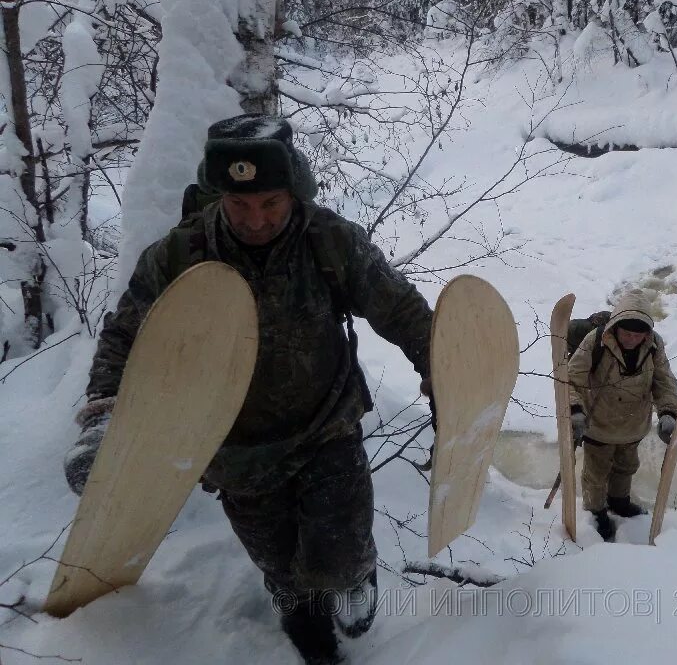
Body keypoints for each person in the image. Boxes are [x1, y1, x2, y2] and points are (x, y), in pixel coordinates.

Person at [63, 114, 434, 665]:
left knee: (340, 550)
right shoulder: (178, 256)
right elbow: (127, 334)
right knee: (281, 568)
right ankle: (303, 618)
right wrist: (102, 419)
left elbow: (399, 308)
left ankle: (354, 577)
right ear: (219, 196)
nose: (255, 220)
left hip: (325, 425)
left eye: (271, 204)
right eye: (240, 206)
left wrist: (438, 363)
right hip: (233, 446)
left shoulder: (330, 241)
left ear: (293, 192)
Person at [567, 291, 677, 542]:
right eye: (626, 333)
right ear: (615, 327)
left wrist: (668, 411)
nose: (631, 339)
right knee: (596, 474)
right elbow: (570, 380)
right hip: (598, 424)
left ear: (647, 332)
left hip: (633, 424)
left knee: (626, 467)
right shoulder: (595, 341)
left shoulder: (654, 345)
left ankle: (619, 502)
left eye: (637, 334)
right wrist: (574, 411)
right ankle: (596, 511)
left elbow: (664, 382)